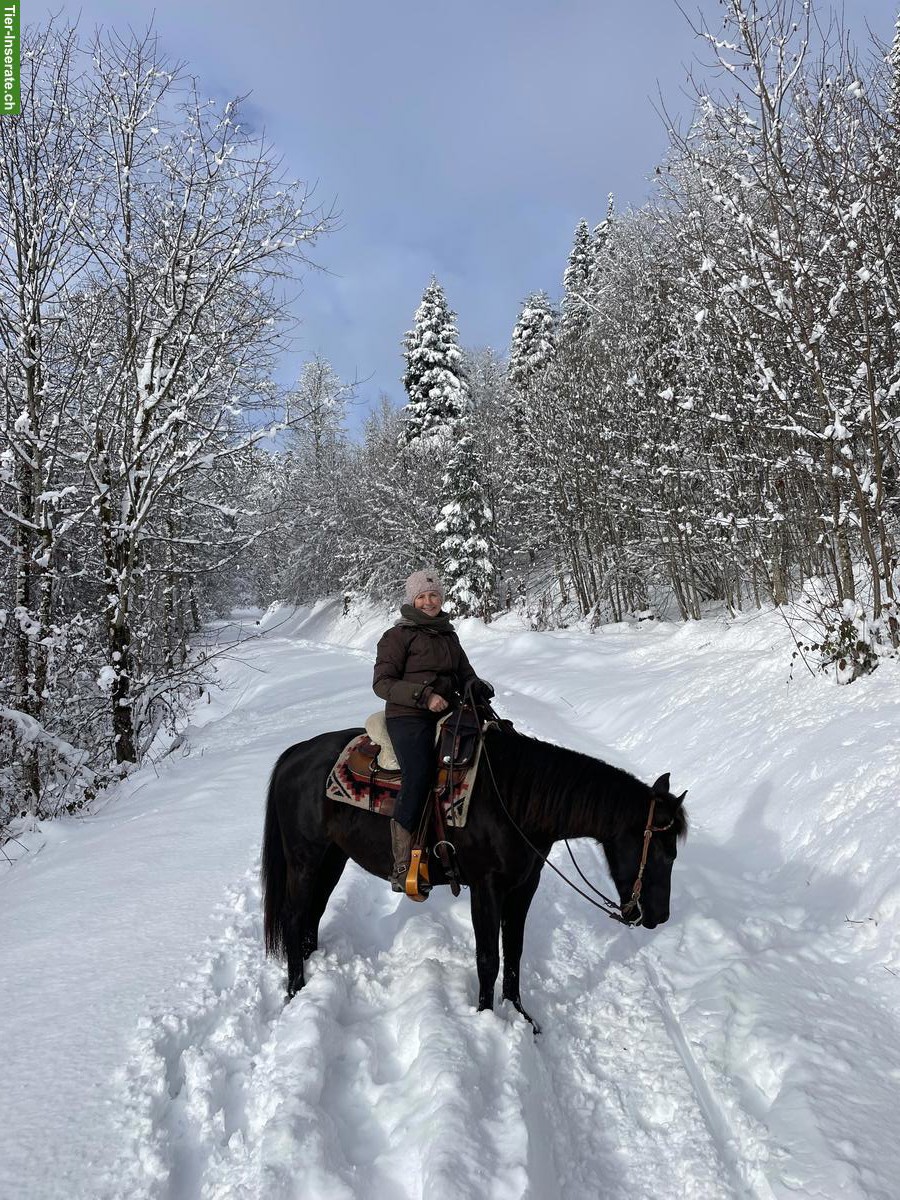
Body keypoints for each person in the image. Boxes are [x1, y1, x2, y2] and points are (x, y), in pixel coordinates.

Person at [373, 568, 494, 893]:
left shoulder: (448, 635)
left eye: (434, 595)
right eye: (422, 597)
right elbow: (382, 683)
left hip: (448, 709)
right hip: (408, 715)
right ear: (412, 600)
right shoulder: (397, 636)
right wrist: (424, 697)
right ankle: (401, 866)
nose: (429, 601)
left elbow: (465, 672)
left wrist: (476, 686)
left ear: (441, 598)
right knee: (421, 773)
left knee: (484, 751)